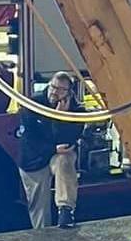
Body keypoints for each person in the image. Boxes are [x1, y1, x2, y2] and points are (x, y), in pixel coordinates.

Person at [18, 71, 84, 229]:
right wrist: (53, 147)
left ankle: (65, 209)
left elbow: (70, 140)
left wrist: (62, 117)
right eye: (53, 87)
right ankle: (43, 238)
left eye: (61, 89)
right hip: (34, 158)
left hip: (58, 155)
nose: (55, 92)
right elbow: (29, 140)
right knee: (39, 208)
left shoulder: (77, 110)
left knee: (65, 160)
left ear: (69, 92)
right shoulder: (33, 104)